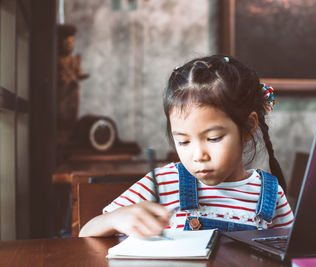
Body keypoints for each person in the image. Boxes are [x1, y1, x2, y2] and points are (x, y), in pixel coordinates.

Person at [79, 55, 294, 238]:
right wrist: (117, 219)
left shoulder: (271, 195)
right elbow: (86, 233)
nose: (198, 155)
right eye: (183, 141)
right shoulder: (164, 183)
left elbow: (294, 255)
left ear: (247, 128)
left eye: (214, 138)